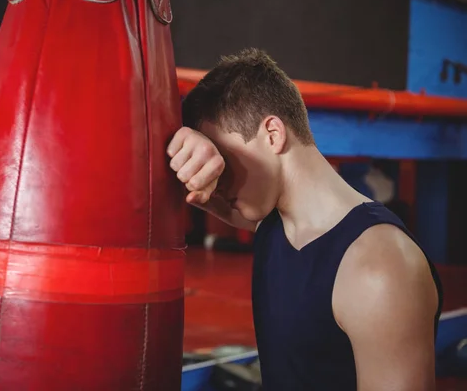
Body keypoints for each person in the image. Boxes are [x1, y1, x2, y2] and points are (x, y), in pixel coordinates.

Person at [167, 48, 443, 391]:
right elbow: (166, 181)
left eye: (221, 157)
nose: (215, 176)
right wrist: (186, 143)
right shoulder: (274, 225)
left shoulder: (379, 267)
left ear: (272, 134)